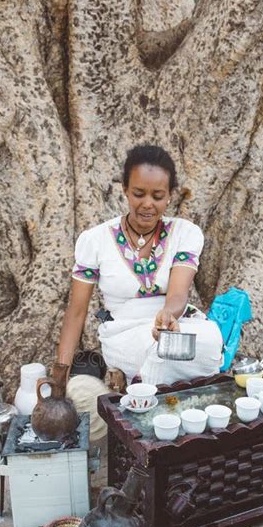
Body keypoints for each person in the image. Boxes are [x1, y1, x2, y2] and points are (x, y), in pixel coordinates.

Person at [57, 144, 223, 386]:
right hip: (123, 333)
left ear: (169, 195)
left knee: (209, 340)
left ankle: (144, 384)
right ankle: (152, 386)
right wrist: (60, 378)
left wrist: (167, 317)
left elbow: (178, 294)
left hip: (174, 324)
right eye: (138, 194)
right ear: (125, 190)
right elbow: (77, 312)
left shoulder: (185, 234)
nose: (147, 204)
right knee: (157, 350)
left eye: (157, 196)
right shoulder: (95, 240)